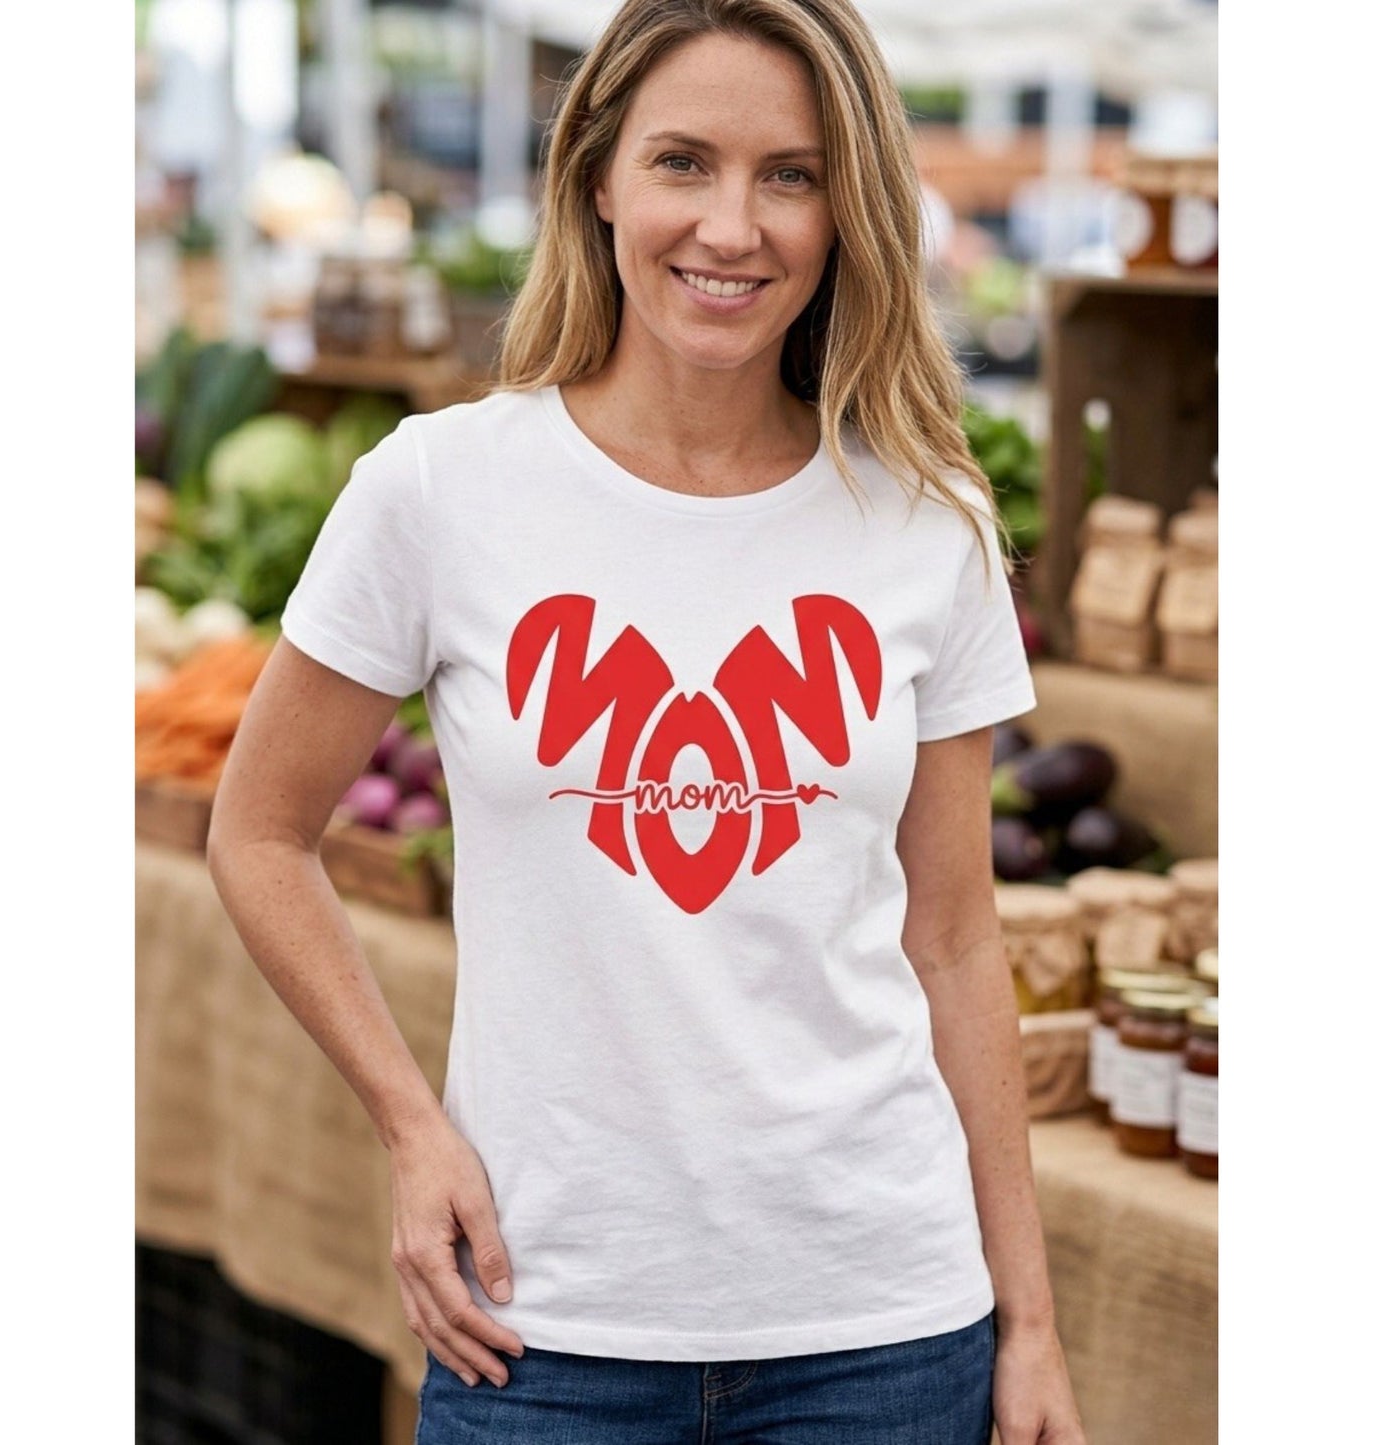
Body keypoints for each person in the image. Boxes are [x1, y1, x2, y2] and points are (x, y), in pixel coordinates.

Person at [208, 1, 1088, 1440]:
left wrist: (1030, 1321)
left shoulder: (929, 522)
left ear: (848, 207)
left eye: (790, 175)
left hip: (880, 1328)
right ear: (598, 178)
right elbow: (256, 830)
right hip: (540, 1324)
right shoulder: (439, 489)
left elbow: (954, 936)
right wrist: (409, 1124)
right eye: (683, 161)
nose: (732, 227)